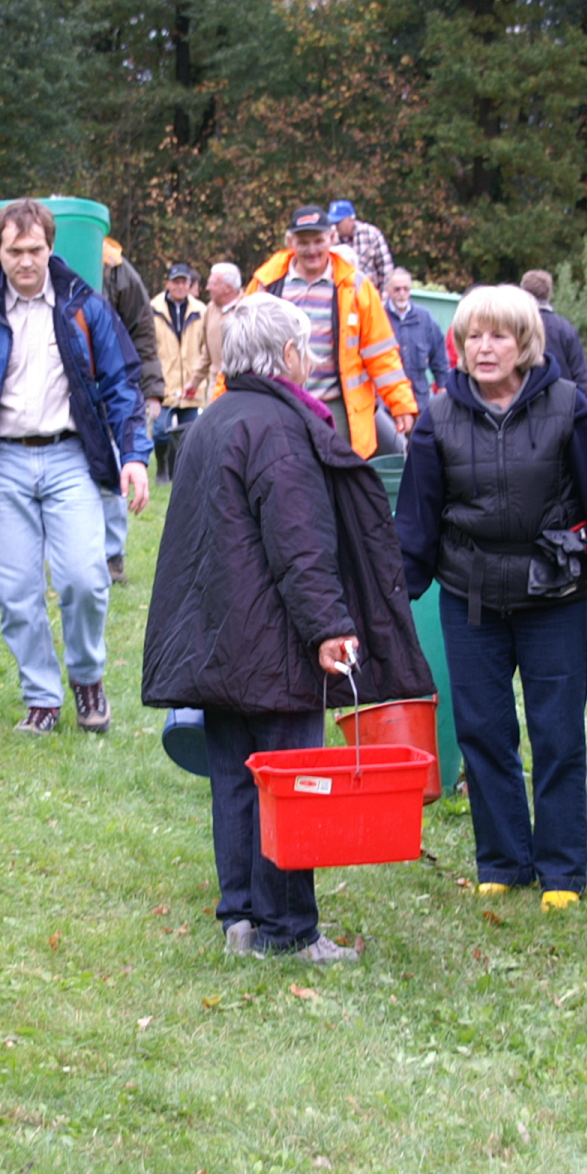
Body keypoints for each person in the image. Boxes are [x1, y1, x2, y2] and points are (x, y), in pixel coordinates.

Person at [143, 296, 436, 961]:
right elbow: (300, 543)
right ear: (287, 356)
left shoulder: (214, 421)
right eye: (305, 348)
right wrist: (328, 627)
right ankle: (289, 930)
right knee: (292, 785)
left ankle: (241, 919)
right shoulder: (279, 429)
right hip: (273, 643)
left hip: (218, 641)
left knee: (235, 782)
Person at [396, 286, 587, 905]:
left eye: (498, 335)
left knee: (558, 733)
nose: (484, 348)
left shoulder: (568, 406)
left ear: (525, 342)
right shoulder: (438, 415)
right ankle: (503, 862)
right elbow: (415, 524)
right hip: (470, 598)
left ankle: (561, 870)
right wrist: (393, 601)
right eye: (473, 336)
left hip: (554, 595)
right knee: (483, 732)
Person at [0, 199, 151, 735]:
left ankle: (87, 677)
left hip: (70, 458)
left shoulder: (85, 308)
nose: (26, 261)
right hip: (2, 464)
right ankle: (42, 697)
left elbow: (122, 385)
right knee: (17, 594)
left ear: (50, 248)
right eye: (15, 250)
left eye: (35, 249)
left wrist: (134, 456)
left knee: (85, 579)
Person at [245, 204, 420, 459]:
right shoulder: (265, 285)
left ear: (332, 238)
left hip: (337, 409)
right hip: (278, 405)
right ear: (291, 242)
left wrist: (401, 403)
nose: (312, 250)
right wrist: (222, 403)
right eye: (304, 242)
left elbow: (381, 353)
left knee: (339, 477)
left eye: (318, 240)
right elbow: (240, 349)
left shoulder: (356, 286)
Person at [100, 238, 166, 583]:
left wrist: (151, 390)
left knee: (113, 476)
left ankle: (112, 558)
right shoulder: (38, 259)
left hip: (109, 392)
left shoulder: (116, 269)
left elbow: (142, 332)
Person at [150, 261, 212, 479]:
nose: (180, 286)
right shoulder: (153, 309)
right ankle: (162, 467)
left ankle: (177, 472)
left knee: (189, 435)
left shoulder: (201, 311)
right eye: (175, 282)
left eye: (184, 282)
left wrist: (200, 378)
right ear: (167, 283)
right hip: (163, 384)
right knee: (160, 431)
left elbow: (207, 347)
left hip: (191, 386)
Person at [518, 268, 587, 401]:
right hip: (562, 403)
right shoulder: (566, 328)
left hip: (525, 404)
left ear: (523, 293)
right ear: (549, 294)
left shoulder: (515, 327)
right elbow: (581, 378)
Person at [381, 268, 451, 394]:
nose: (402, 293)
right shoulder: (379, 317)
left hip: (419, 396)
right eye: (397, 289)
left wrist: (443, 386)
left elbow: (439, 357)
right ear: (387, 290)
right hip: (387, 396)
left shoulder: (424, 318)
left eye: (406, 289)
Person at [329, 198, 395, 293]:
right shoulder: (329, 240)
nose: (335, 226)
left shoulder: (372, 235)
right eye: (333, 222)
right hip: (341, 296)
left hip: (369, 295)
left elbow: (387, 271)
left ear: (350, 219)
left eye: (338, 222)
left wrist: (383, 300)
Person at [199, 261, 243, 398]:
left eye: (213, 284)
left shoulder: (248, 309)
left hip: (241, 383)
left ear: (228, 288)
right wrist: (194, 382)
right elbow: (207, 351)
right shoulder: (210, 309)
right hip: (215, 382)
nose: (207, 288)